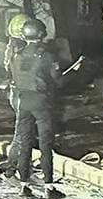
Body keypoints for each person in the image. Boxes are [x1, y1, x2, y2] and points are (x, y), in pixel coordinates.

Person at [7, 17, 62, 187]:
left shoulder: (17, 55)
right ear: (41, 34)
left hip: (23, 102)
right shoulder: (46, 56)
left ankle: (24, 183)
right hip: (41, 103)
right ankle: (48, 184)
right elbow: (57, 81)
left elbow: (15, 77)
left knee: (25, 142)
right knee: (45, 143)